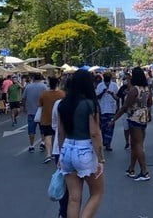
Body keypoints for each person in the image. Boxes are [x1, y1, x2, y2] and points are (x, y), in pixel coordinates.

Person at [57, 70, 105, 218]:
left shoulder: (63, 104)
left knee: (73, 198)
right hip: (85, 150)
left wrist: (60, 154)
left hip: (67, 149)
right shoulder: (90, 104)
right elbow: (95, 133)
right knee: (97, 193)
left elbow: (60, 132)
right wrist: (101, 159)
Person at [111, 67, 152, 181]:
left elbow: (125, 106)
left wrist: (114, 119)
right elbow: (150, 102)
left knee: (137, 145)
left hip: (135, 117)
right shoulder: (146, 88)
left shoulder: (134, 89)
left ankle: (144, 171)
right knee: (135, 144)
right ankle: (132, 168)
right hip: (144, 116)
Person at [52, 81, 70, 218]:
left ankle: (63, 212)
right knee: (75, 187)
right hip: (76, 148)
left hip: (59, 149)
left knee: (63, 182)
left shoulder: (58, 104)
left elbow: (54, 125)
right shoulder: (82, 103)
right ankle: (70, 211)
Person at [38, 77, 66, 164]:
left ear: (49, 84)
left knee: (47, 136)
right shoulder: (62, 94)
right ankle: (55, 152)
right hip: (58, 118)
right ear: (57, 84)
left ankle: (48, 154)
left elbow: (39, 104)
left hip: (46, 117)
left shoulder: (44, 94)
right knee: (56, 135)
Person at [22, 74, 48, 153]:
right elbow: (47, 98)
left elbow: (23, 98)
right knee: (43, 129)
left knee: (31, 130)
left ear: (33, 78)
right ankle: (43, 143)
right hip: (42, 111)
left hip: (31, 111)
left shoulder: (28, 87)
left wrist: (24, 108)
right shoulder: (44, 87)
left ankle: (31, 146)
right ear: (40, 79)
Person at [95, 72, 119, 152]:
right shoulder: (100, 86)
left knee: (110, 127)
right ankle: (104, 141)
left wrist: (112, 94)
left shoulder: (114, 86)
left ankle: (108, 144)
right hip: (102, 109)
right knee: (103, 127)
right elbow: (97, 97)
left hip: (112, 110)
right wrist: (103, 92)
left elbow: (117, 98)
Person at [116, 74, 132, 149]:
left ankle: (133, 141)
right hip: (125, 111)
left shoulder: (134, 88)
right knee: (126, 128)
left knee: (133, 128)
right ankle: (127, 142)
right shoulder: (122, 88)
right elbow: (117, 97)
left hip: (133, 111)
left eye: (127, 79)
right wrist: (112, 94)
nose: (125, 80)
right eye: (124, 79)